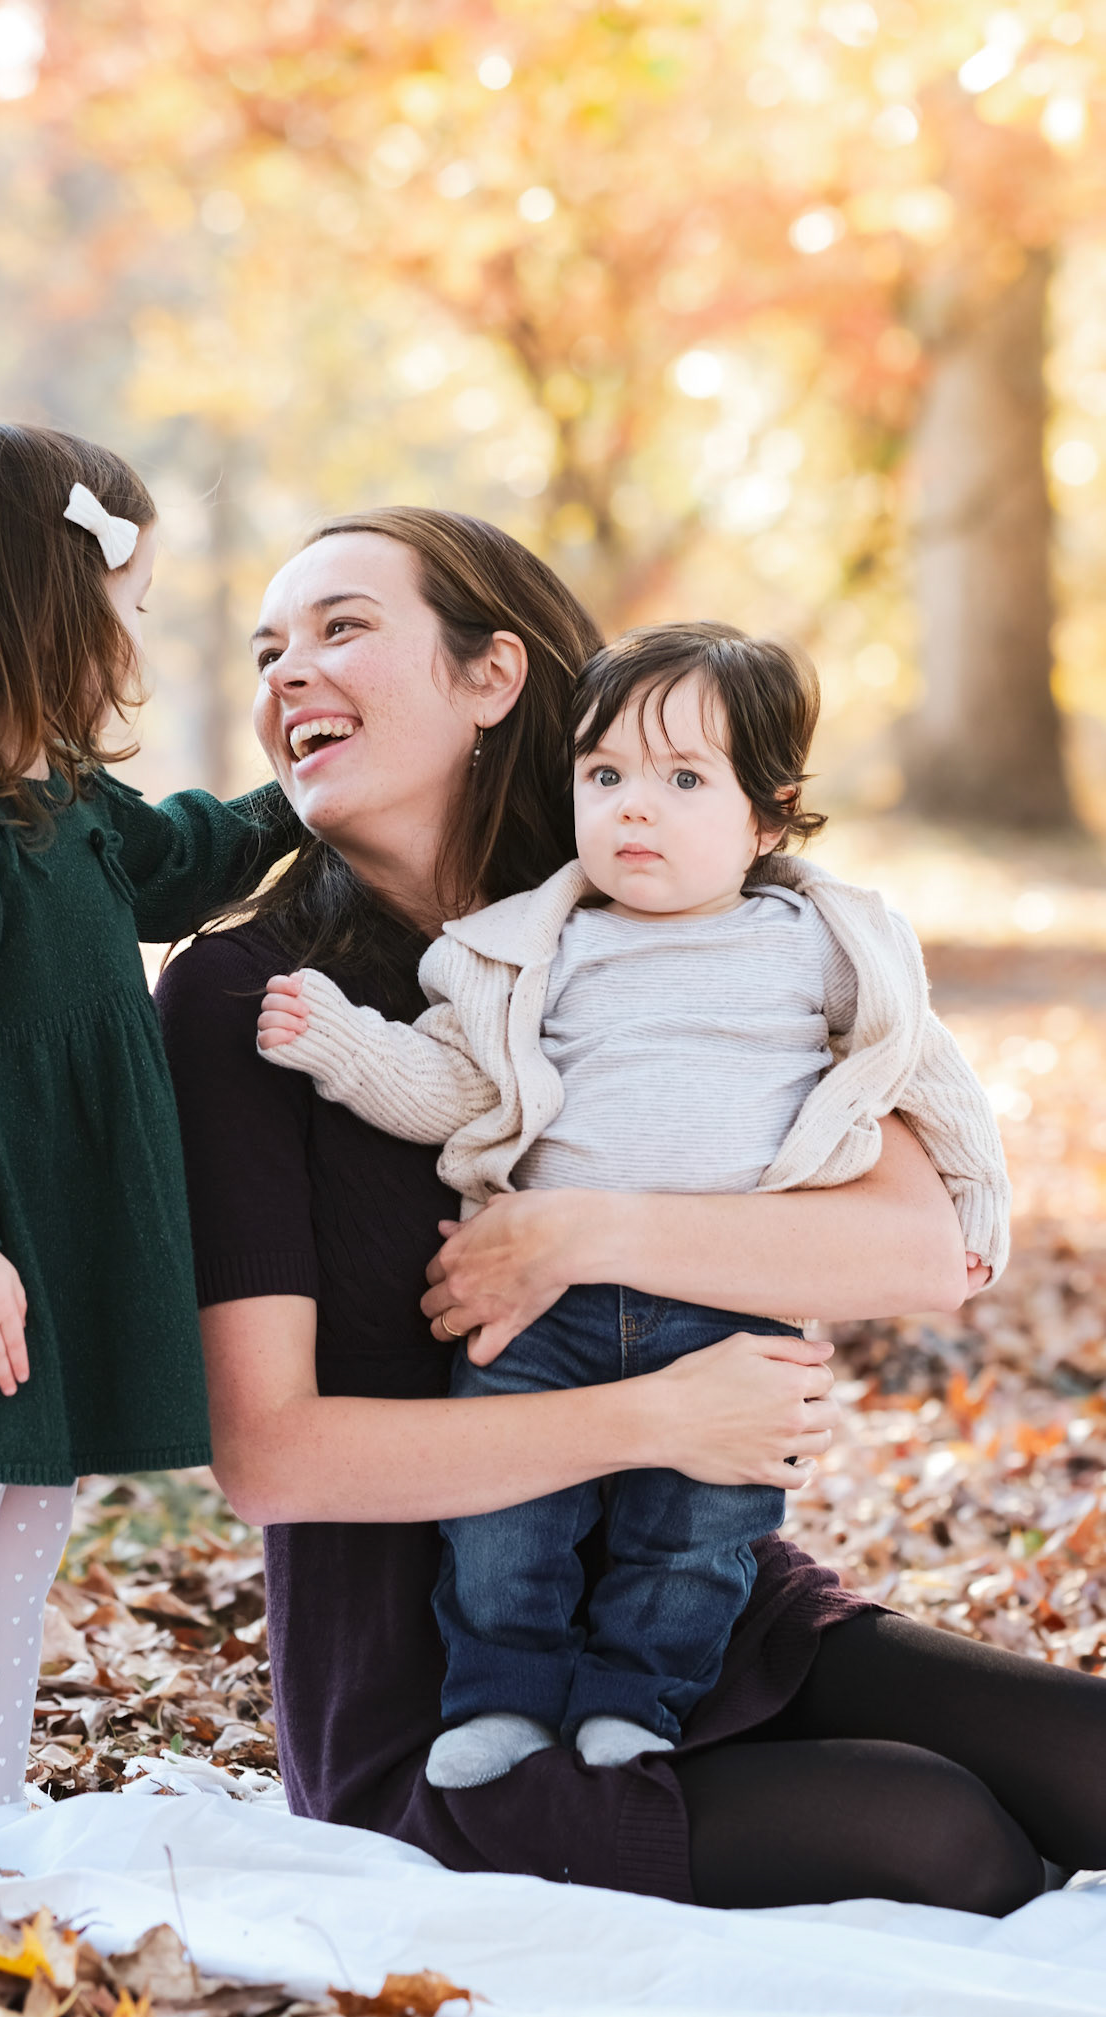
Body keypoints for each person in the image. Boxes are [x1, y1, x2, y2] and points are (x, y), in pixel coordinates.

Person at [157, 506, 1106, 1915]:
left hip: (700, 1597)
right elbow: (272, 1460)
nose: (289, 671)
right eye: (268, 649)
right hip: (443, 1685)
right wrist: (656, 1414)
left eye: (341, 627)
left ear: (494, 675)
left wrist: (582, 1232)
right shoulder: (250, 999)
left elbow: (923, 1243)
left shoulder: (670, 901)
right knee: (943, 1835)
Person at [254, 621, 1010, 1791]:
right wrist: (347, 1048)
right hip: (544, 1307)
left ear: (768, 816)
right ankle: (502, 1695)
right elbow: (457, 1084)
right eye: (604, 775)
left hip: (726, 1307)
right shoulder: (539, 951)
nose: (634, 807)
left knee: (697, 1535)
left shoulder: (818, 946)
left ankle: (635, 1699)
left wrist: (978, 1202)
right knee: (504, 1529)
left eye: (684, 779)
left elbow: (922, 1069)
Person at [0, 423, 295, 1852]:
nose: (139, 634)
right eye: (129, 602)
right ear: (42, 609)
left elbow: (185, 862)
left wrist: (308, 798)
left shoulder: (69, 805)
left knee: (28, 1535)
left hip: (55, 1248)